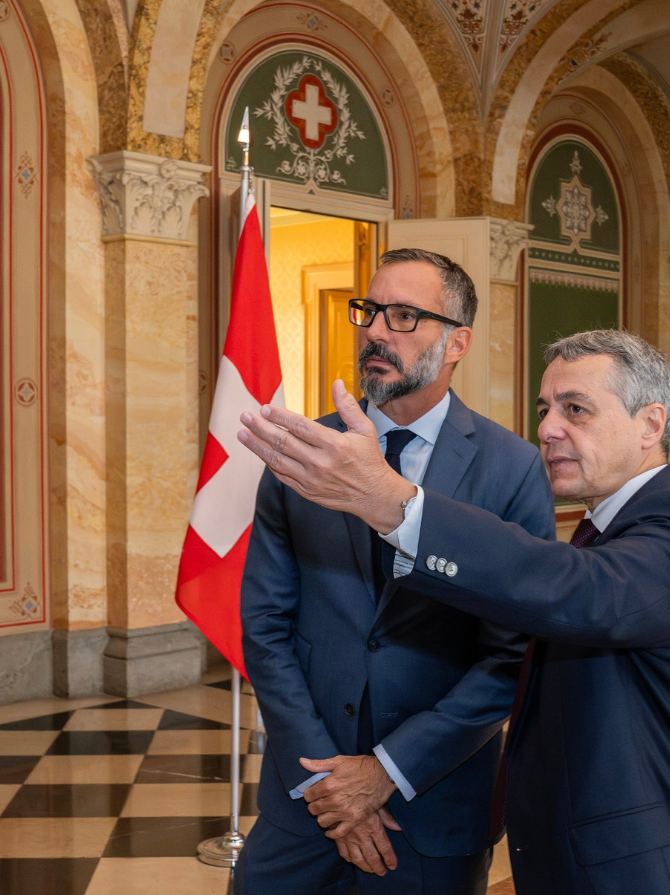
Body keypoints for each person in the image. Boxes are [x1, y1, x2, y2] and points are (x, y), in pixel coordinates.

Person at [237, 329, 670, 895]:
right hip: (580, 853)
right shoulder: (607, 530)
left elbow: (576, 591)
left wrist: (398, 507)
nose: (549, 429)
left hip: (637, 861)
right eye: (546, 408)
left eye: (576, 409)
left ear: (651, 425)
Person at [236, 249, 552, 895]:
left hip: (431, 804)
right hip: (304, 803)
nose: (376, 331)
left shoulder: (511, 468)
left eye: (405, 316)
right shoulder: (302, 455)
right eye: (370, 311)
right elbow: (265, 628)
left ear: (457, 341)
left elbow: (510, 656)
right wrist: (328, 783)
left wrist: (385, 770)